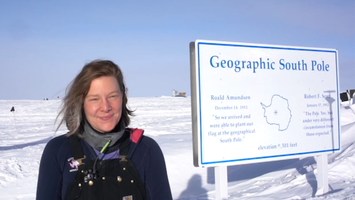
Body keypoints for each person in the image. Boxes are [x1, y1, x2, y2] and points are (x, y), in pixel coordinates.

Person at [36, 59, 173, 200]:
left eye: (112, 96)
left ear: (123, 97)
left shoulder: (146, 150)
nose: (106, 107)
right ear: (81, 103)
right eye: (95, 99)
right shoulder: (59, 150)